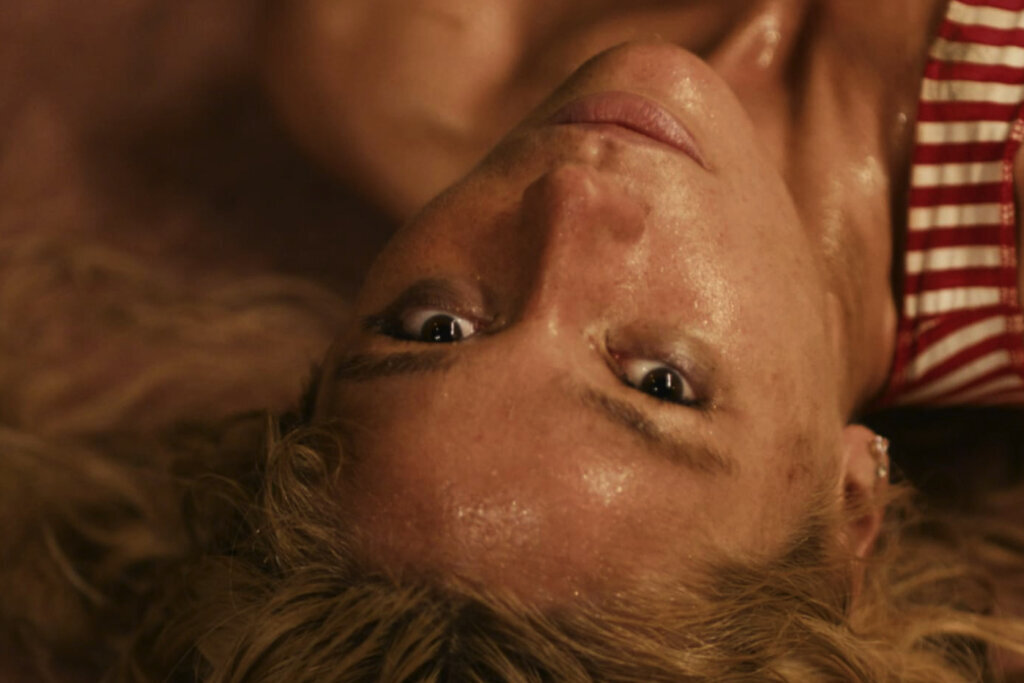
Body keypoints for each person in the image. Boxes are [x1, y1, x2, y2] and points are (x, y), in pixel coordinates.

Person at [4, 0, 1024, 680]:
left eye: (438, 327)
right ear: (850, 507)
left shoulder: (382, 56)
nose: (572, 201)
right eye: (660, 381)